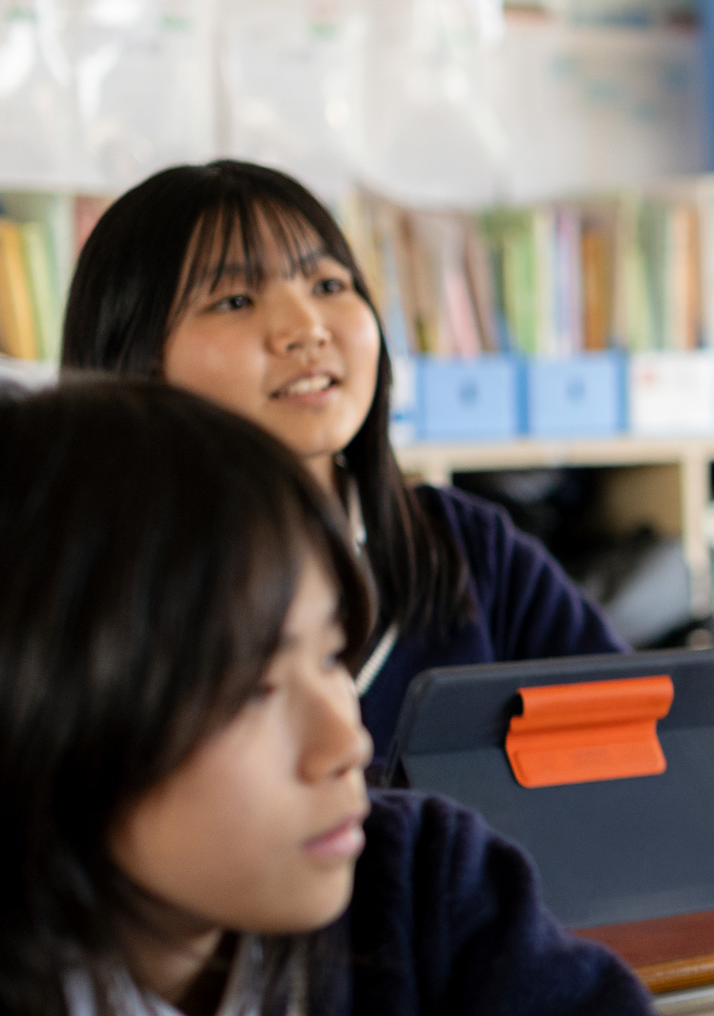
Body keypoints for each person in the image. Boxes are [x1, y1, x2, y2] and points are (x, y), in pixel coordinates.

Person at [0, 381, 714, 1016]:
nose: (346, 742)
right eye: (250, 689)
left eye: (330, 658)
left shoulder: (414, 882)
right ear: (43, 711)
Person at [60, 161, 623, 767]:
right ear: (138, 358)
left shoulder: (465, 548)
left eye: (328, 286)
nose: (306, 329)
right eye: (235, 300)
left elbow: (638, 747)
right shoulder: (90, 599)